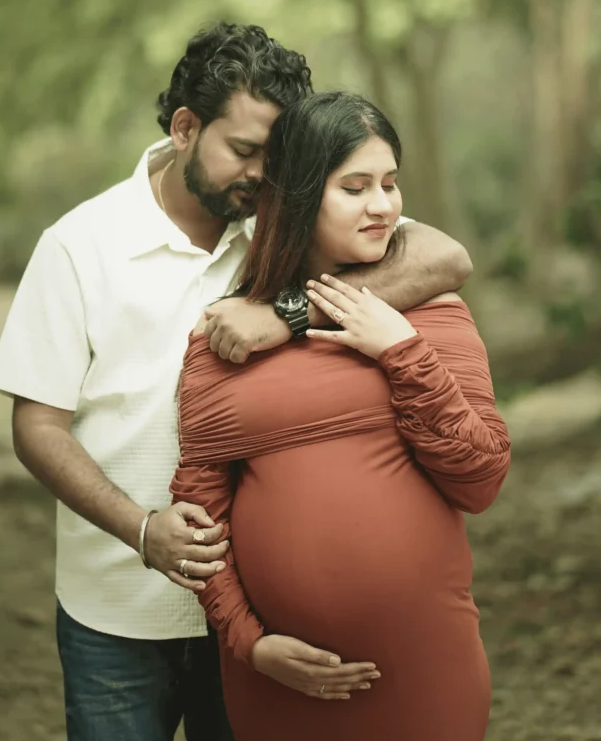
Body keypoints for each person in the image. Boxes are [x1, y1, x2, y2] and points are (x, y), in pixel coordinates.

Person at [0, 25, 474, 741]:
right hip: (116, 611)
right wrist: (142, 529)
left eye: (276, 156)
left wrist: (287, 313)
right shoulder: (79, 245)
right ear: (185, 127)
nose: (261, 174)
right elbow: (36, 427)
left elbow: (445, 257)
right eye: (244, 151)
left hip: (261, 618)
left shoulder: (290, 223)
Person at [171, 91, 510, 741]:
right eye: (354, 187)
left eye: (389, 183)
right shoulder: (228, 338)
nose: (382, 205)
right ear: (297, 196)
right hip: (277, 683)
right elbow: (199, 514)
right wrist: (249, 642)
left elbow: (480, 478)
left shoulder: (432, 313)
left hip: (423, 674)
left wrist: (402, 352)